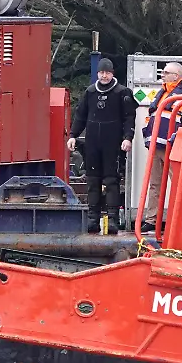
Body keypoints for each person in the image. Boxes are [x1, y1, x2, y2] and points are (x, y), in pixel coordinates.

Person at [68, 58, 136, 234]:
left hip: (113, 144)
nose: (104, 76)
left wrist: (128, 137)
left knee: (112, 181)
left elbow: (130, 117)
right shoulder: (90, 92)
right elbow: (80, 116)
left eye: (107, 73)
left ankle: (112, 219)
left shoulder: (122, 92)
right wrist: (73, 135)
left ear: (112, 73)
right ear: (98, 74)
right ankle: (92, 219)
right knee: (92, 180)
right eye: (101, 72)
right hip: (92, 143)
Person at [139, 62, 182, 232]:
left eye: (166, 72)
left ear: (176, 76)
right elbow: (153, 115)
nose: (162, 75)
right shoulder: (163, 92)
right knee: (155, 184)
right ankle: (151, 219)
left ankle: (178, 220)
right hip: (158, 145)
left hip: (175, 147)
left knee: (178, 184)